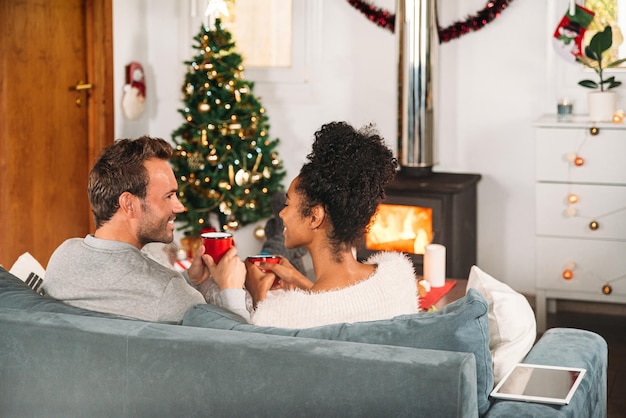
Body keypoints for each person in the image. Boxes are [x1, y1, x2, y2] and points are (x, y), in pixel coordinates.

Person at [217, 121, 420, 328]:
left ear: (315, 217)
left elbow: (245, 347)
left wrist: (253, 295)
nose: (282, 213)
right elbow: (342, 310)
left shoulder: (284, 317)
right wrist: (303, 283)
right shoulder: (398, 275)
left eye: (287, 204)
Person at [43, 136, 244, 323]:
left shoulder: (63, 256)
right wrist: (231, 289)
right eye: (169, 196)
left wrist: (189, 280)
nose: (180, 207)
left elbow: (132, 297)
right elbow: (239, 346)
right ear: (129, 204)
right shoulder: (169, 290)